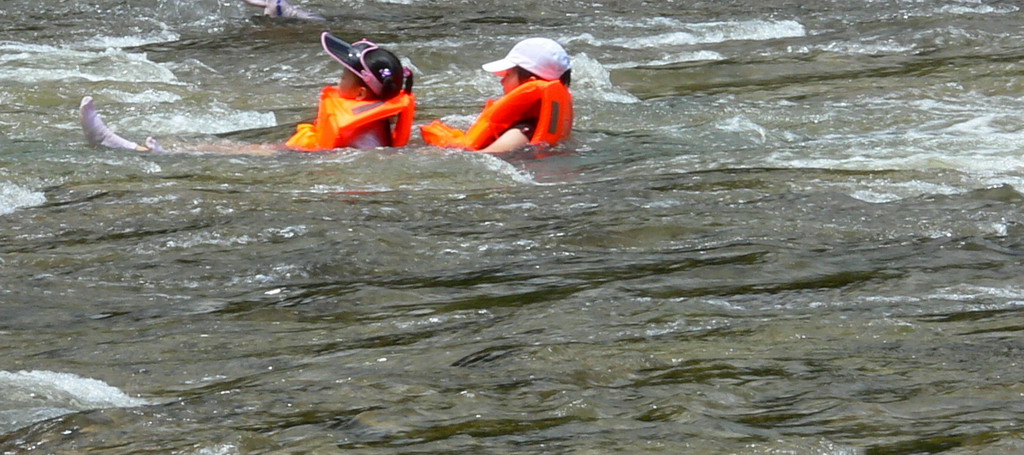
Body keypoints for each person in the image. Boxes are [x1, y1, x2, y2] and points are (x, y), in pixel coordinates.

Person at [80, 32, 415, 153]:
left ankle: (127, 148)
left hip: (301, 164)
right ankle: (135, 147)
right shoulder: (373, 127)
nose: (338, 79)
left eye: (346, 74)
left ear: (359, 95)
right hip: (302, 156)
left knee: (228, 151)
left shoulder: (367, 142)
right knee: (229, 147)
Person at [420, 37, 573, 155]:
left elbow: (480, 160)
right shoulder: (542, 123)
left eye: (507, 74)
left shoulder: (521, 133)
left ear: (530, 82)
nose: (502, 80)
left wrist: (444, 149)